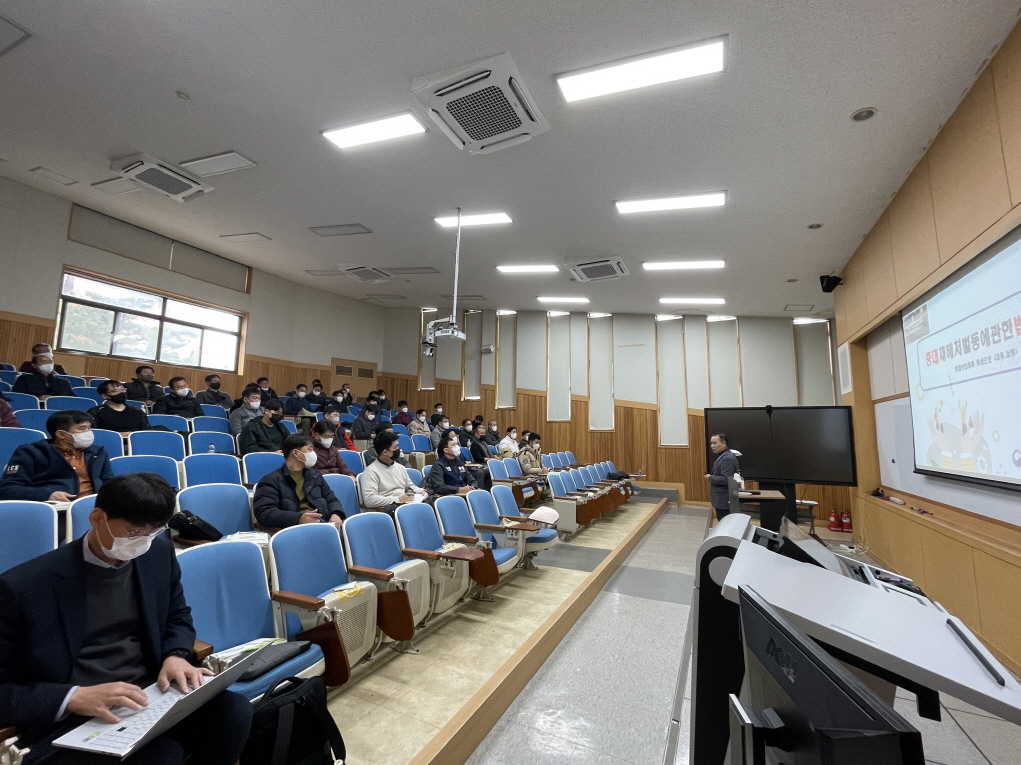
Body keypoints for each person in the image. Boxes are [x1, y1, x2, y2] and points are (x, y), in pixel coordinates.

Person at [0, 472, 253, 765]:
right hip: (76, 717)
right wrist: (72, 697)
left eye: (153, 532)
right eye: (134, 533)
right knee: (163, 756)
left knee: (233, 711)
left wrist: (176, 655)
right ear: (97, 518)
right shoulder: (24, 587)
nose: (142, 542)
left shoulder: (157, 552)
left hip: (148, 694)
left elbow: (177, 614)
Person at [0, 410, 113, 501]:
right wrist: (47, 495)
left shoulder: (98, 453)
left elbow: (109, 483)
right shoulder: (30, 452)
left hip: (95, 507)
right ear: (61, 434)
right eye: (82, 428)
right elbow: (7, 489)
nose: (88, 433)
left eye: (89, 428)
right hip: (53, 509)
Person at [253, 435, 345, 530]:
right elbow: (264, 513)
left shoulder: (315, 475)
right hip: (294, 529)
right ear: (296, 453)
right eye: (310, 450)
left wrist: (336, 514)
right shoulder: (271, 480)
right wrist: (299, 518)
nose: (313, 453)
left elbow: (332, 499)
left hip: (323, 525)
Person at [359, 431, 426, 514]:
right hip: (389, 510)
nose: (399, 450)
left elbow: (410, 486)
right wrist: (398, 500)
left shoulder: (400, 467)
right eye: (395, 448)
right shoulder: (370, 472)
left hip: (405, 505)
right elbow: (370, 500)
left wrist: (421, 491)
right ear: (385, 452)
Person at [425, 429, 478, 497]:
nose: (457, 447)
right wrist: (458, 489)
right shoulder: (439, 465)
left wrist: (473, 486)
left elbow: (472, 480)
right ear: (446, 450)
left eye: (456, 444)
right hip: (451, 495)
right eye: (453, 445)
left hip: (465, 493)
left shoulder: (460, 463)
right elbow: (439, 486)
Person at [87, 380, 151, 434]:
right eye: (116, 391)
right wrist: (122, 435)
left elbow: (146, 432)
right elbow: (93, 432)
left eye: (123, 390)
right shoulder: (96, 411)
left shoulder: (137, 412)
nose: (122, 393)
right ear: (105, 395)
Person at [705, 432, 739, 520]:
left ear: (724, 443)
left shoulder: (727, 458)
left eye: (715, 443)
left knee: (726, 526)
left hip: (724, 500)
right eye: (711, 443)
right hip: (722, 500)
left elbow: (726, 479)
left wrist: (710, 477)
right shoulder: (724, 456)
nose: (712, 446)